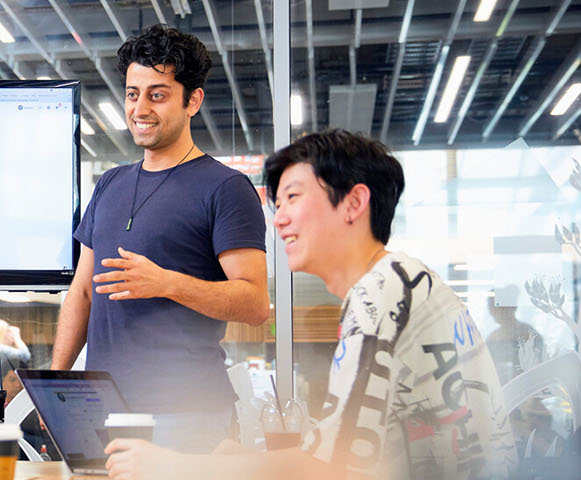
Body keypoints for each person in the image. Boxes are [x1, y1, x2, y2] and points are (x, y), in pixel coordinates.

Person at [103, 129, 516, 479]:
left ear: (354, 203)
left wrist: (175, 466)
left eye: (293, 198)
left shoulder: (380, 297)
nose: (279, 219)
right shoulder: (403, 279)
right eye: (277, 204)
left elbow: (329, 467)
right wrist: (242, 459)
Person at [50, 23, 269, 454]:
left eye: (157, 94)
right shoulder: (110, 184)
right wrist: (57, 382)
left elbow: (255, 304)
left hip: (188, 414)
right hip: (105, 410)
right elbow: (82, 292)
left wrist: (167, 283)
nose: (140, 108)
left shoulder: (225, 188)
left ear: (193, 100)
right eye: (133, 93)